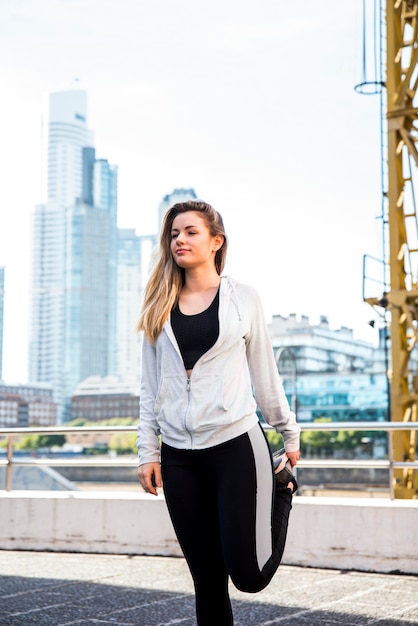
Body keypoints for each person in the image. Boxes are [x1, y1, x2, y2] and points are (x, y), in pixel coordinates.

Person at [136, 200, 300, 626]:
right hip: (178, 456)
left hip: (235, 446)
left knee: (249, 575)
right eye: (173, 234)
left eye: (190, 232)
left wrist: (289, 432)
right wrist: (147, 452)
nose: (179, 240)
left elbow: (265, 373)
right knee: (208, 583)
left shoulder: (243, 299)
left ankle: (282, 489)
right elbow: (150, 388)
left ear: (216, 241)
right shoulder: (159, 302)